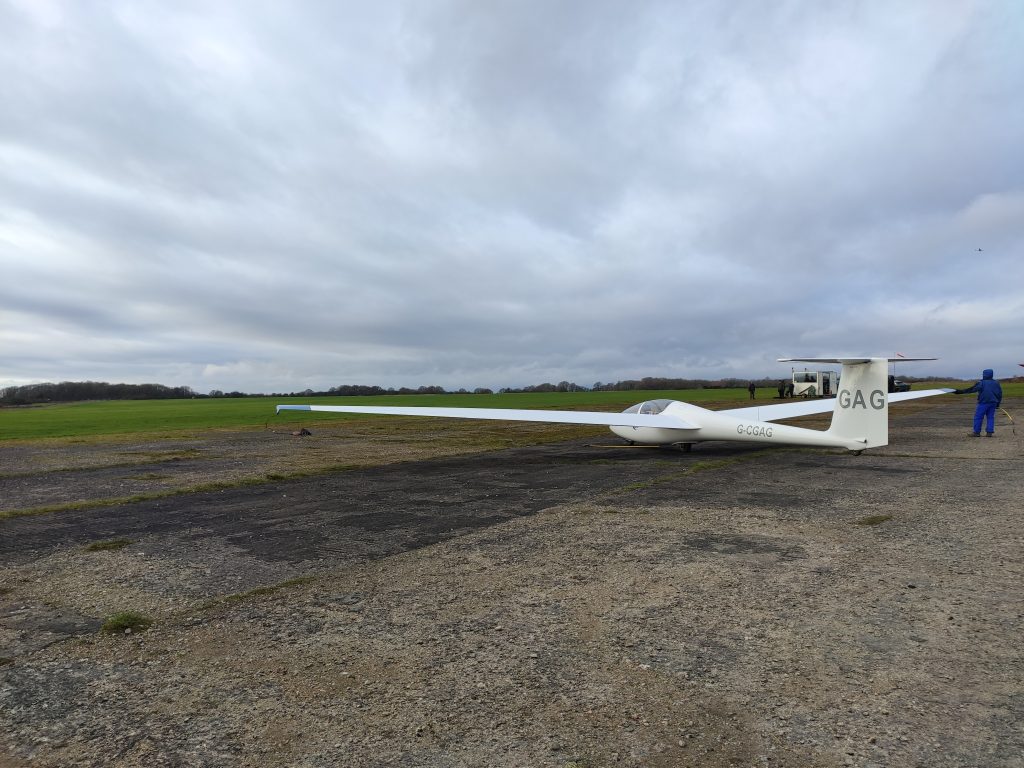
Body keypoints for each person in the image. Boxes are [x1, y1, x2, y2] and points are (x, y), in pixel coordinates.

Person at [954, 369, 1002, 437]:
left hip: (983, 403)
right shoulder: (996, 383)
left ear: (984, 374)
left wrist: (959, 392)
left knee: (978, 417)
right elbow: (999, 394)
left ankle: (976, 432)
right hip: (993, 403)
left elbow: (972, 389)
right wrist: (998, 404)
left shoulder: (981, 383)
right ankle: (989, 432)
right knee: (990, 417)